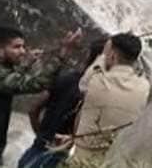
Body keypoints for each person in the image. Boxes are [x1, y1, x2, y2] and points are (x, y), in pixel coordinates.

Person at [0, 26, 83, 165]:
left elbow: (13, 76)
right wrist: (62, 54)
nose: (23, 51)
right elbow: (37, 83)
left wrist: (27, 63)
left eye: (23, 46)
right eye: (16, 47)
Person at [17, 37, 106, 168]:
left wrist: (42, 137)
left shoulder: (65, 78)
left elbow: (33, 110)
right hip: (54, 157)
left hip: (34, 152)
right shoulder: (94, 90)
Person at [65, 33, 150, 165]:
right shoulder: (144, 87)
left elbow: (82, 86)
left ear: (112, 55)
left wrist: (103, 55)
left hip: (83, 161)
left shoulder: (96, 81)